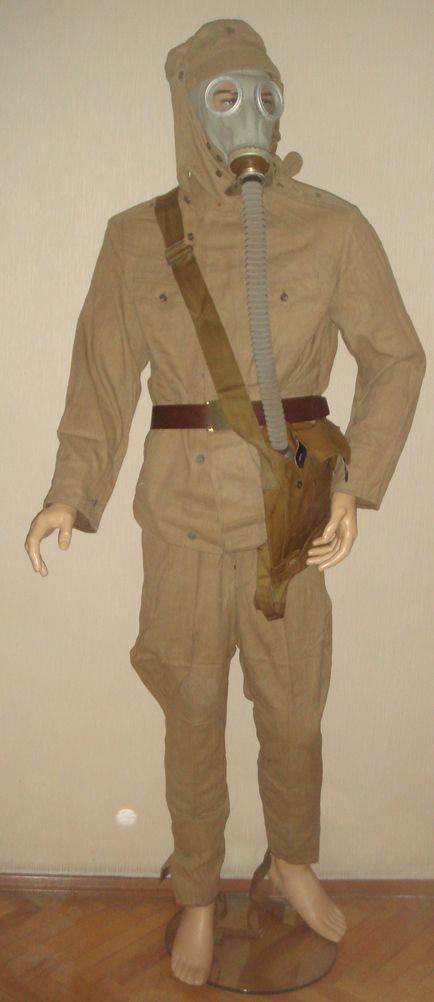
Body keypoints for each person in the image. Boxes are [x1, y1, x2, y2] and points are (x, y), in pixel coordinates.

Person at [25, 18, 426, 988]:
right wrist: (70, 493)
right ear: (187, 109)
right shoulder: (136, 238)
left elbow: (395, 358)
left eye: (266, 93)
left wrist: (354, 486)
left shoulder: (332, 227)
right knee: (192, 712)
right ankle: (199, 893)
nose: (251, 114)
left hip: (291, 518)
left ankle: (291, 861)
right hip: (180, 520)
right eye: (224, 95)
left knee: (292, 715)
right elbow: (101, 381)